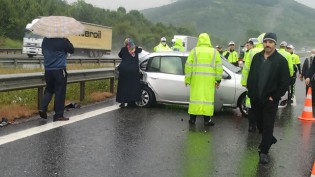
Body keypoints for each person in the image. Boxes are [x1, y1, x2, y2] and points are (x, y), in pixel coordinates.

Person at [247, 33, 290, 164]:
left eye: (271, 42)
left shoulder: (281, 61)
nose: (267, 44)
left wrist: (275, 96)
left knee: (268, 125)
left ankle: (264, 151)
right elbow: (251, 75)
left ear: (275, 44)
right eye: (266, 41)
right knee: (259, 123)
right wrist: (250, 91)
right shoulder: (256, 57)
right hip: (256, 98)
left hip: (270, 99)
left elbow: (285, 82)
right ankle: (269, 138)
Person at [184, 33, 223, 126]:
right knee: (207, 100)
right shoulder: (214, 52)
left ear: (199, 40)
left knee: (195, 99)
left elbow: (188, 66)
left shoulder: (194, 51)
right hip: (209, 81)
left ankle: (192, 120)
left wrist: (188, 79)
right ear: (208, 40)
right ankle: (207, 120)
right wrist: (218, 80)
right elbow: (219, 68)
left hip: (196, 80)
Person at [39, 37, 74, 122]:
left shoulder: (45, 40)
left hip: (48, 70)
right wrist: (67, 40)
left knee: (49, 89)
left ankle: (42, 108)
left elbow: (43, 52)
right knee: (60, 92)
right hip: (59, 69)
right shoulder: (63, 41)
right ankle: (58, 115)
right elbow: (72, 50)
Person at [241, 33, 265, 133]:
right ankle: (262, 128)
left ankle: (251, 126)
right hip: (266, 84)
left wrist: (244, 82)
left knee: (251, 106)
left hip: (253, 83)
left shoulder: (252, 52)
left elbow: (246, 69)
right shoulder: (272, 51)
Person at [116, 38, 142, 108]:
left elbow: (120, 55)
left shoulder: (123, 49)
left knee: (123, 86)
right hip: (133, 70)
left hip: (124, 70)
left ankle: (122, 102)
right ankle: (132, 102)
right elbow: (141, 50)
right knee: (133, 85)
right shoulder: (136, 49)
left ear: (125, 43)